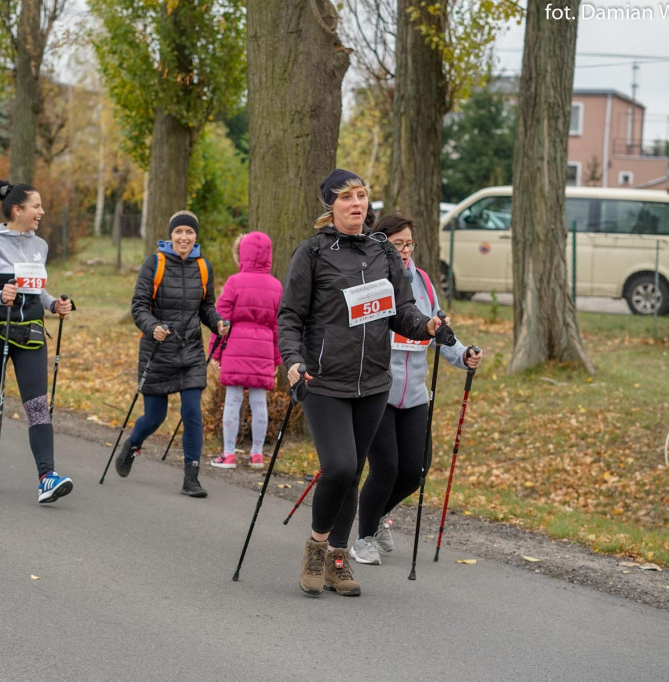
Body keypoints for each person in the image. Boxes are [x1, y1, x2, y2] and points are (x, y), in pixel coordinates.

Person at [279, 169, 446, 597]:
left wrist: (426, 325)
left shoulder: (383, 252)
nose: (357, 203)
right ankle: (316, 549)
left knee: (354, 475)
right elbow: (290, 317)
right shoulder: (313, 252)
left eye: (362, 196)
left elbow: (402, 313)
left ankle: (338, 561)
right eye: (348, 197)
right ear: (330, 207)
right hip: (324, 380)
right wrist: (294, 361)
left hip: (373, 382)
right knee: (339, 467)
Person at [351, 212, 483, 565]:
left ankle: (377, 515)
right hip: (378, 390)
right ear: (381, 245)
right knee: (387, 467)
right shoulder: (372, 281)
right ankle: (362, 538)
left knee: (415, 471)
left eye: (409, 244)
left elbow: (439, 332)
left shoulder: (423, 281)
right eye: (397, 245)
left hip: (415, 395)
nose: (405, 251)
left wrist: (463, 354)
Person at [0, 180, 75, 503]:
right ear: (17, 210)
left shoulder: (40, 246)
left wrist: (54, 304)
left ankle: (47, 477)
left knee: (38, 405)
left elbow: (37, 289)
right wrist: (1, 295)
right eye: (36, 206)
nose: (41, 212)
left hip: (30, 335)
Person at [114, 210, 229, 497]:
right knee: (155, 417)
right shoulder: (154, 263)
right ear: (171, 235)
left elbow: (205, 306)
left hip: (190, 351)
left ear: (195, 237)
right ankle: (132, 444)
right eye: (179, 232)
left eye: (189, 232)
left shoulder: (203, 267)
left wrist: (216, 321)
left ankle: (191, 478)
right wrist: (152, 327)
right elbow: (139, 306)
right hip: (157, 351)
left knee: (192, 414)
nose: (184, 237)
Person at [209, 232, 282, 470]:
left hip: (236, 349)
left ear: (243, 254)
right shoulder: (276, 286)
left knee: (233, 400)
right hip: (263, 350)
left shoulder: (234, 282)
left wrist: (215, 353)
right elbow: (279, 326)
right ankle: (257, 455)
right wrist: (276, 359)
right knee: (260, 401)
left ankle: (229, 454)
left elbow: (221, 322)